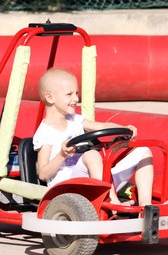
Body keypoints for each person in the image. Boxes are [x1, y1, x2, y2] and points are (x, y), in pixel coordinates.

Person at [33, 68, 153, 206]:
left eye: (76, 93)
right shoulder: (45, 132)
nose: (76, 99)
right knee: (91, 155)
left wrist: (124, 128)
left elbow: (101, 127)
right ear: (50, 98)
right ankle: (113, 205)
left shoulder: (75, 120)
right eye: (69, 94)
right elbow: (43, 174)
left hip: (94, 180)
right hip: (67, 189)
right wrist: (62, 155)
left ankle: (145, 207)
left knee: (143, 151)